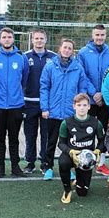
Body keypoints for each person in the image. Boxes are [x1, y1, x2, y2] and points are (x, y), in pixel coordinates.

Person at [40, 38, 92, 181]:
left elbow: (82, 89)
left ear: (72, 51)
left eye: (70, 48)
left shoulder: (78, 67)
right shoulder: (50, 66)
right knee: (51, 141)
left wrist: (79, 107)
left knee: (70, 144)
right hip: (53, 112)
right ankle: (48, 167)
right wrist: (45, 108)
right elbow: (44, 87)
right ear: (60, 48)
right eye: (65, 47)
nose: (67, 50)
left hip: (70, 114)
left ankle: (69, 169)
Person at [0, 27, 29, 178]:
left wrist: (15, 93)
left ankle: (15, 166)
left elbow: (24, 78)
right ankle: (0, 166)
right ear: (0, 40)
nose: (7, 39)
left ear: (13, 39)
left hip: (16, 105)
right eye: (4, 37)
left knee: (14, 137)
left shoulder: (21, 57)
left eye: (9, 37)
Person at [78, 24, 109, 176]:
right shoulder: (82, 53)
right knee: (86, 131)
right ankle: (83, 160)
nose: (99, 37)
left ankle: (101, 164)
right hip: (89, 100)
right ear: (92, 35)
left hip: (104, 100)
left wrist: (103, 94)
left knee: (103, 132)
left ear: (105, 36)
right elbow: (83, 75)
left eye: (102, 35)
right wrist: (94, 93)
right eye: (97, 35)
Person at [58, 93, 105, 204]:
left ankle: (78, 180)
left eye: (84, 105)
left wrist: (98, 150)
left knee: (82, 193)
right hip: (71, 155)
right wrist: (70, 151)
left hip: (87, 159)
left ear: (89, 106)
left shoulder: (96, 123)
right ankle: (67, 190)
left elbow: (103, 141)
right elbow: (60, 144)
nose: (82, 108)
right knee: (63, 163)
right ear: (74, 106)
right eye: (79, 105)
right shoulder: (66, 123)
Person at [23, 29, 57, 174]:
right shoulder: (25, 57)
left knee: (46, 134)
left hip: (47, 104)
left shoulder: (54, 57)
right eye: (36, 38)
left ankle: (45, 162)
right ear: (32, 40)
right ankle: (30, 162)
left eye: (41, 38)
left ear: (46, 40)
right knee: (30, 134)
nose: (39, 41)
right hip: (29, 102)